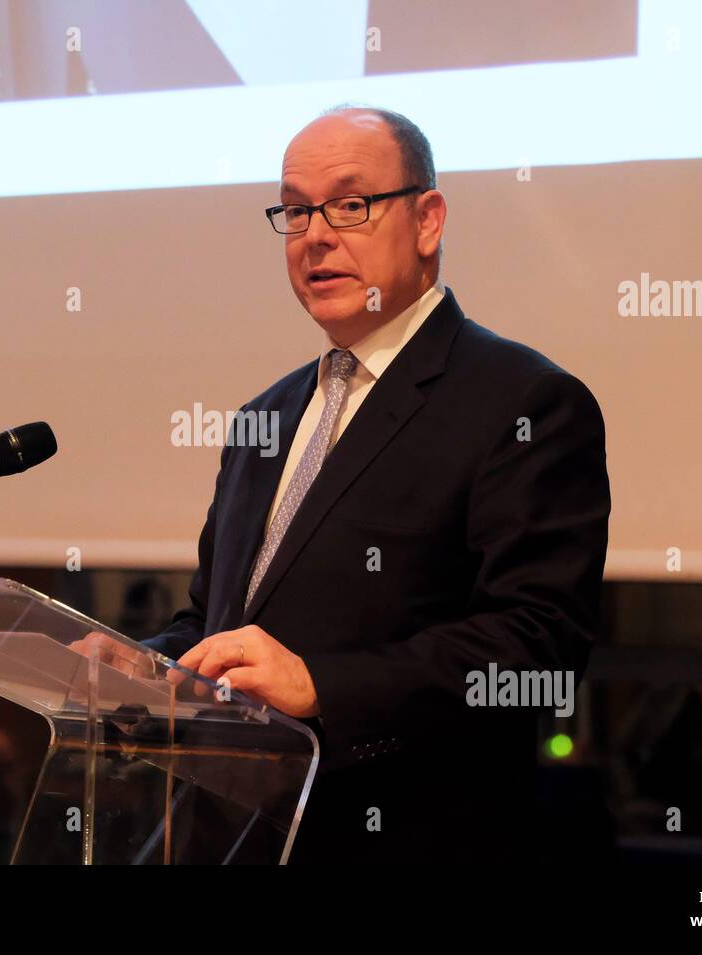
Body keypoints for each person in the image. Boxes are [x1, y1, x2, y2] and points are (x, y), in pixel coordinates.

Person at [134, 105, 612, 864]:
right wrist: (140, 664)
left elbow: (538, 646)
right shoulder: (266, 415)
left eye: (350, 205)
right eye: (294, 211)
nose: (316, 234)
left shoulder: (522, 402)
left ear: (428, 220)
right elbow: (216, 620)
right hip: (228, 837)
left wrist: (322, 684)